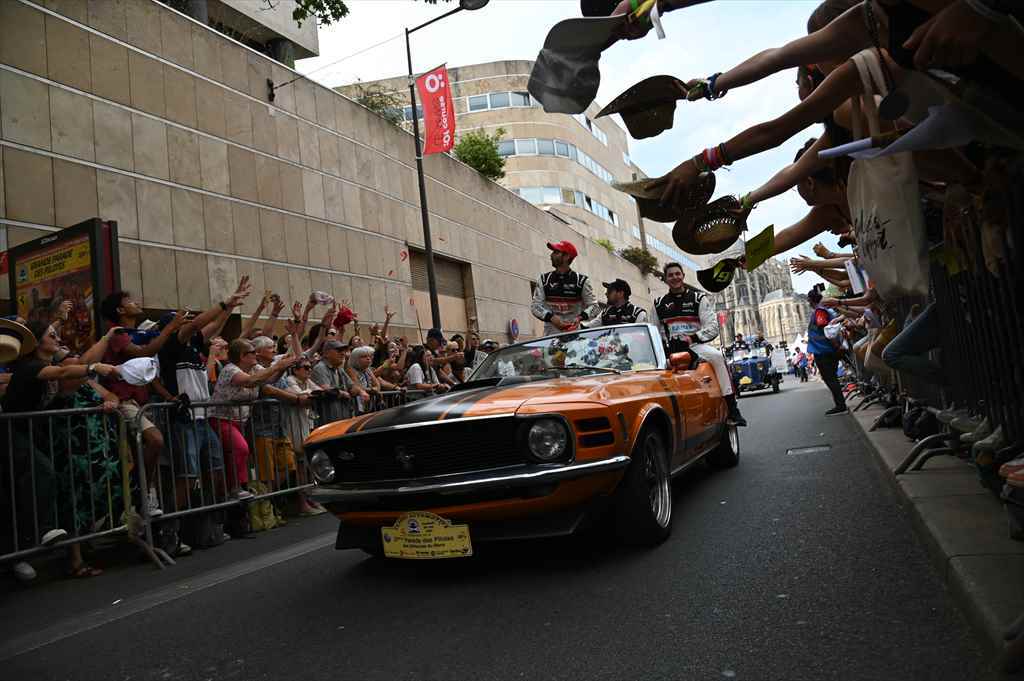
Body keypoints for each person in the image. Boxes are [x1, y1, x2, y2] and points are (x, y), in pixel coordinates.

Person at [650, 262, 746, 427]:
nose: (674, 277)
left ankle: (732, 408)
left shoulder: (698, 298)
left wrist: (692, 338)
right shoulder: (658, 304)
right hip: (670, 350)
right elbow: (653, 330)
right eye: (670, 275)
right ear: (666, 279)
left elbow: (713, 327)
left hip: (695, 345)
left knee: (717, 356)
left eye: (677, 274)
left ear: (683, 276)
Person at [209, 339, 296, 499]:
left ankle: (235, 489)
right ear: (242, 356)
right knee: (241, 449)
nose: (256, 354)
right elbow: (250, 382)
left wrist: (283, 368)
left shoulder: (254, 368)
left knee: (237, 454)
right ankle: (235, 488)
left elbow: (270, 379)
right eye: (252, 352)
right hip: (222, 419)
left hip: (241, 421)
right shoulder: (230, 369)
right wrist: (276, 366)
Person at [531, 241, 599, 336]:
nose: (551, 255)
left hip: (575, 336)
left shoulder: (581, 281)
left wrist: (579, 318)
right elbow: (535, 306)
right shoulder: (543, 279)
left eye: (556, 252)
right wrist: (552, 318)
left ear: (567, 256)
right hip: (551, 337)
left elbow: (595, 307)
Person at [806, 286, 848, 415]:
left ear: (811, 300)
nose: (808, 303)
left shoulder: (819, 311)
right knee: (831, 378)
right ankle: (840, 404)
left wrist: (836, 346)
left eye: (808, 300)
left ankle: (840, 406)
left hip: (824, 351)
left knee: (830, 378)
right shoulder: (824, 310)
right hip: (825, 350)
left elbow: (826, 330)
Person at [310, 339, 355, 425]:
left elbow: (352, 387)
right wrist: (343, 393)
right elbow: (326, 389)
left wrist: (361, 392)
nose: (343, 353)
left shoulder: (339, 369)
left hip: (341, 418)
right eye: (339, 350)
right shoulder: (320, 368)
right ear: (326, 353)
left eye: (344, 351)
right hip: (327, 419)